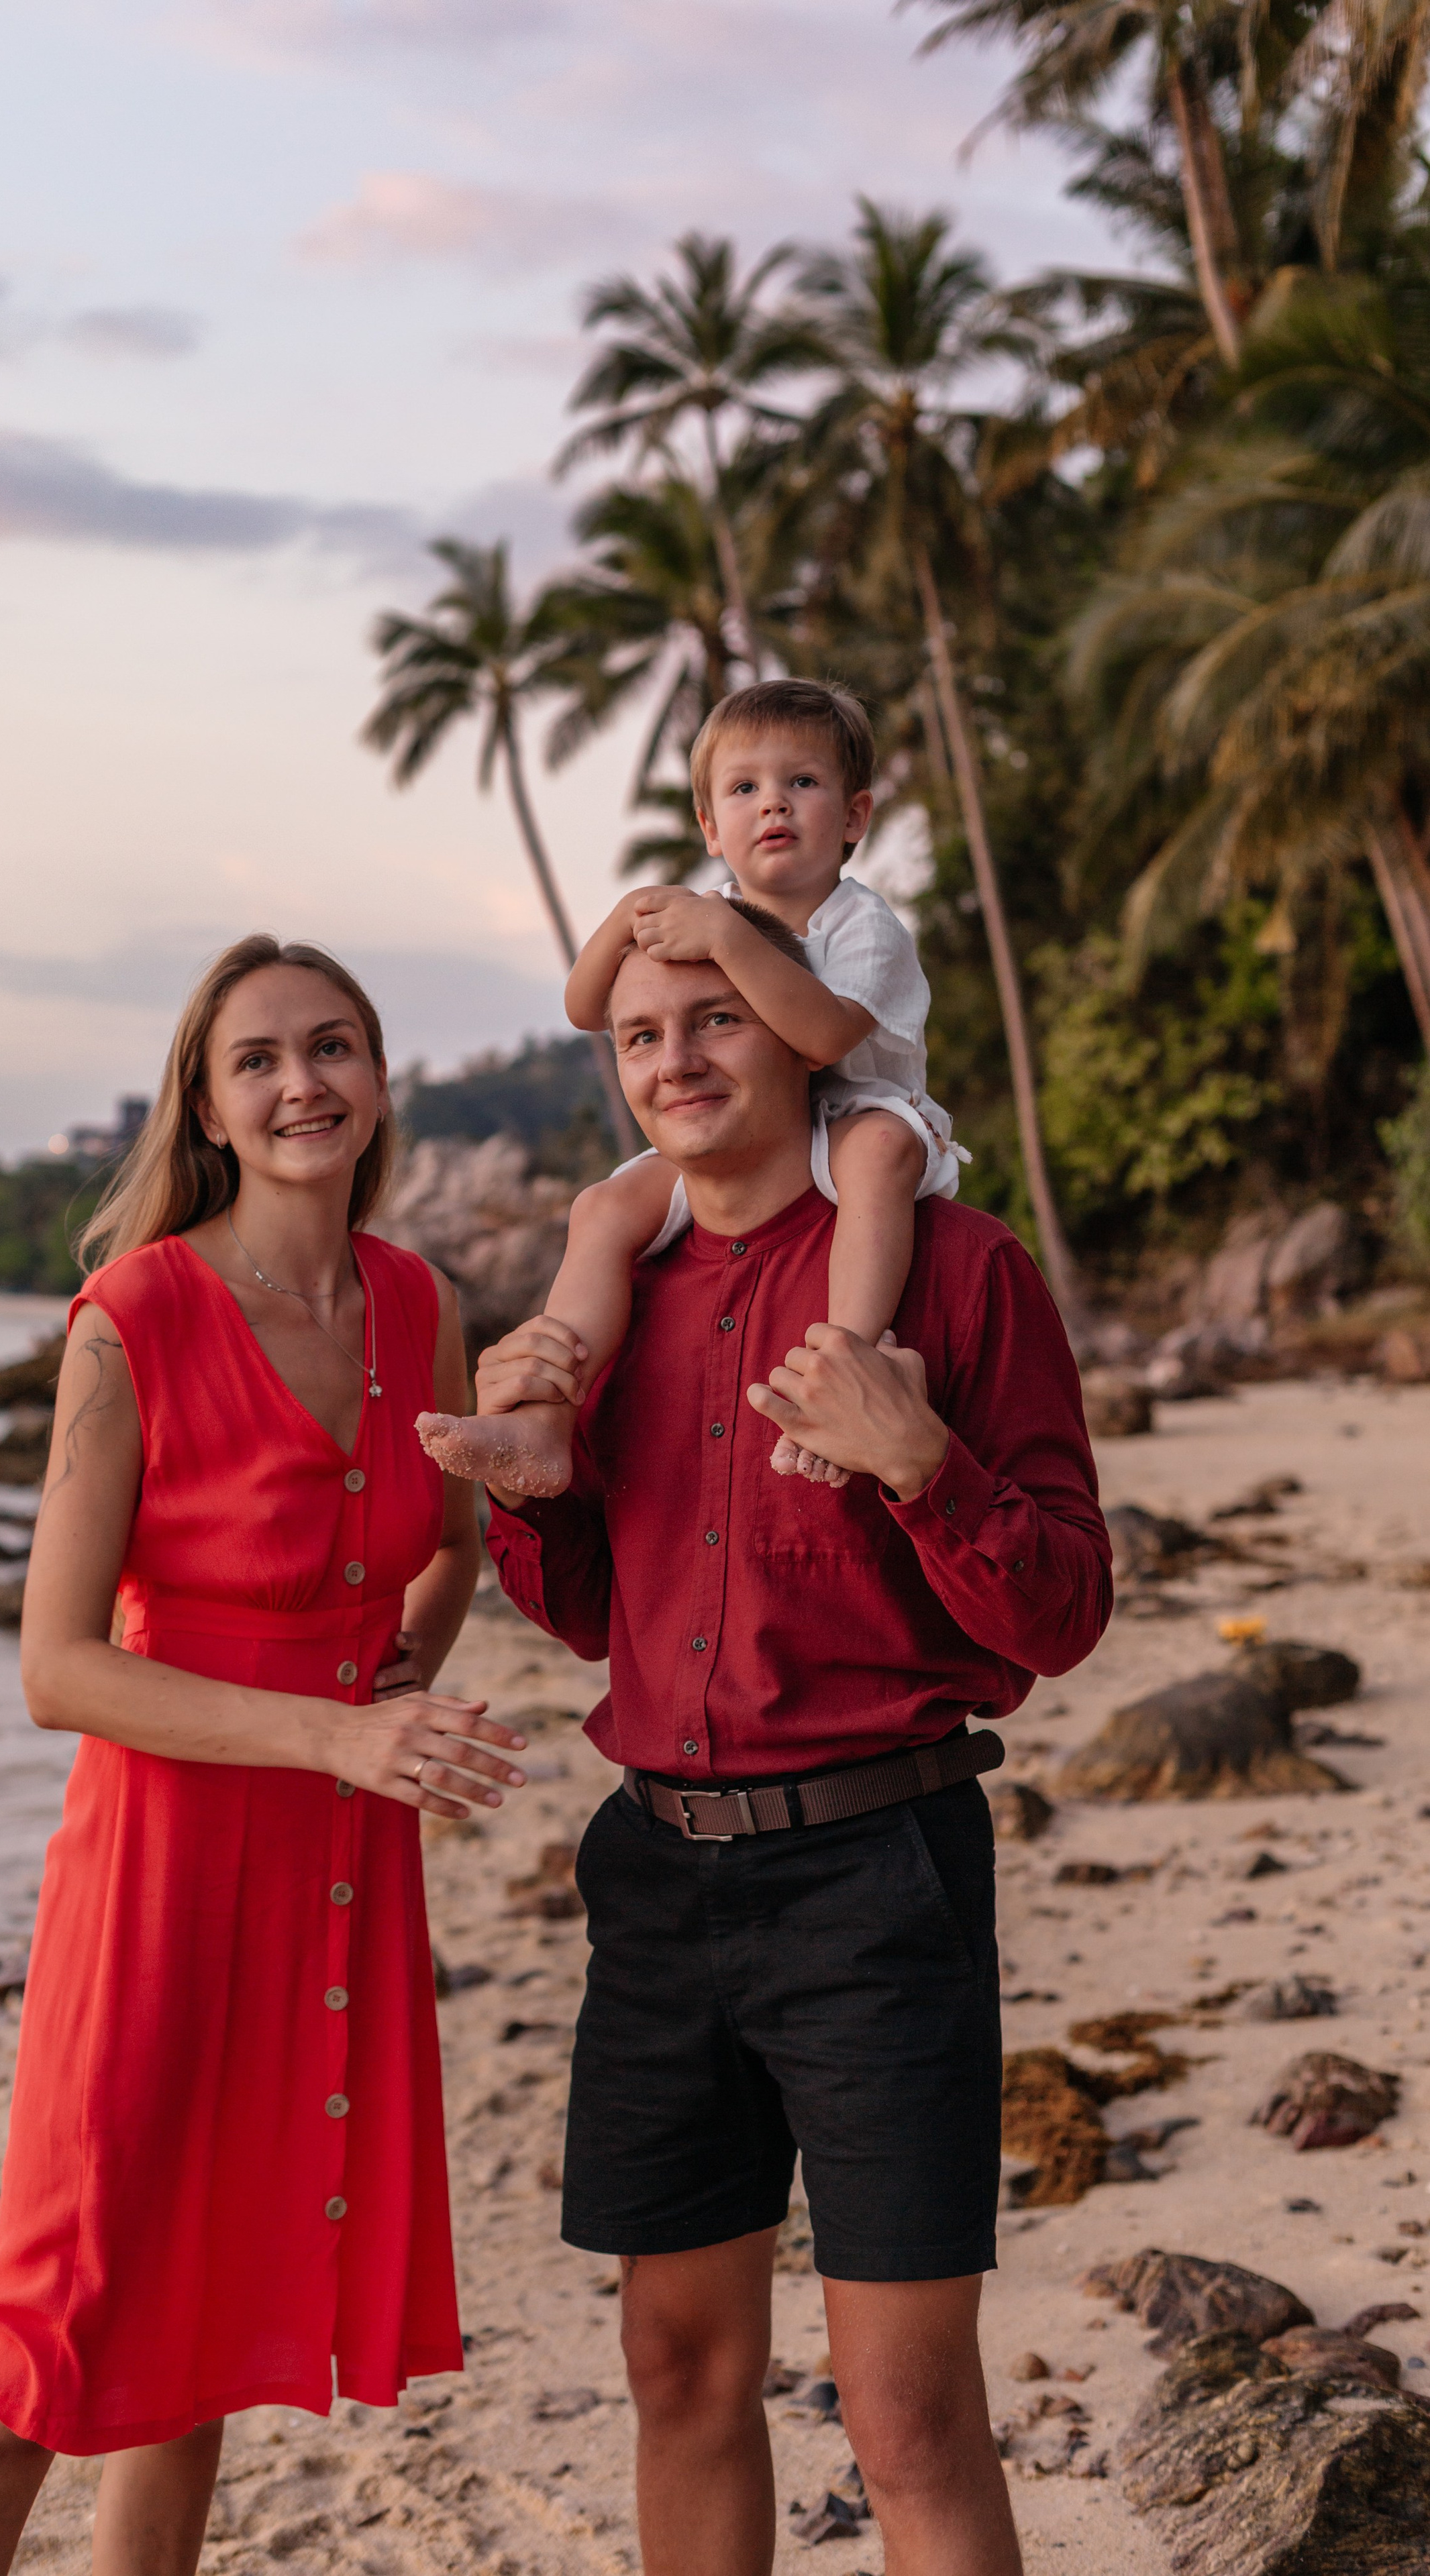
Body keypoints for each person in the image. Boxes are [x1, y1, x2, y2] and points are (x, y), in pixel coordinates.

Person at [0, 936, 529, 2576]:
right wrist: (343, 1730)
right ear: (211, 1103)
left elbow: (448, 1537)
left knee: (216, 2309)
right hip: (160, 1865)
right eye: (260, 1058)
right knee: (61, 2306)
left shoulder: (417, 1303)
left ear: (380, 1083)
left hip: (330, 1856)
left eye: (334, 1046)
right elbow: (56, 1664)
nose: (301, 1080)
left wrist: (406, 1681)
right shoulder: (134, 1315)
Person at [473, 924, 1112, 2576]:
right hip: (654, 1882)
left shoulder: (953, 1268)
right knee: (675, 2371)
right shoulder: (610, 1301)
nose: (676, 1059)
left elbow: (1059, 1612)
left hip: (873, 1882)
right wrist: (525, 1487)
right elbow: (594, 1608)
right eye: (638, 1037)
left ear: (802, 1033)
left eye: (716, 1019)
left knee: (905, 2417)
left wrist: (919, 1463)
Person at [418, 678, 962, 1501]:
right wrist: (636, 909)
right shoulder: (710, 917)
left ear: (854, 818)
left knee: (882, 1155)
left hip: (858, 1113)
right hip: (751, 1131)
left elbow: (820, 1038)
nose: (772, 805)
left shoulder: (862, 925)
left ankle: (844, 1367)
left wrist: (720, 937)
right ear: (711, 827)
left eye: (801, 783)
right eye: (745, 789)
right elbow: (582, 1007)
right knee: (601, 1208)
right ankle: (542, 1420)